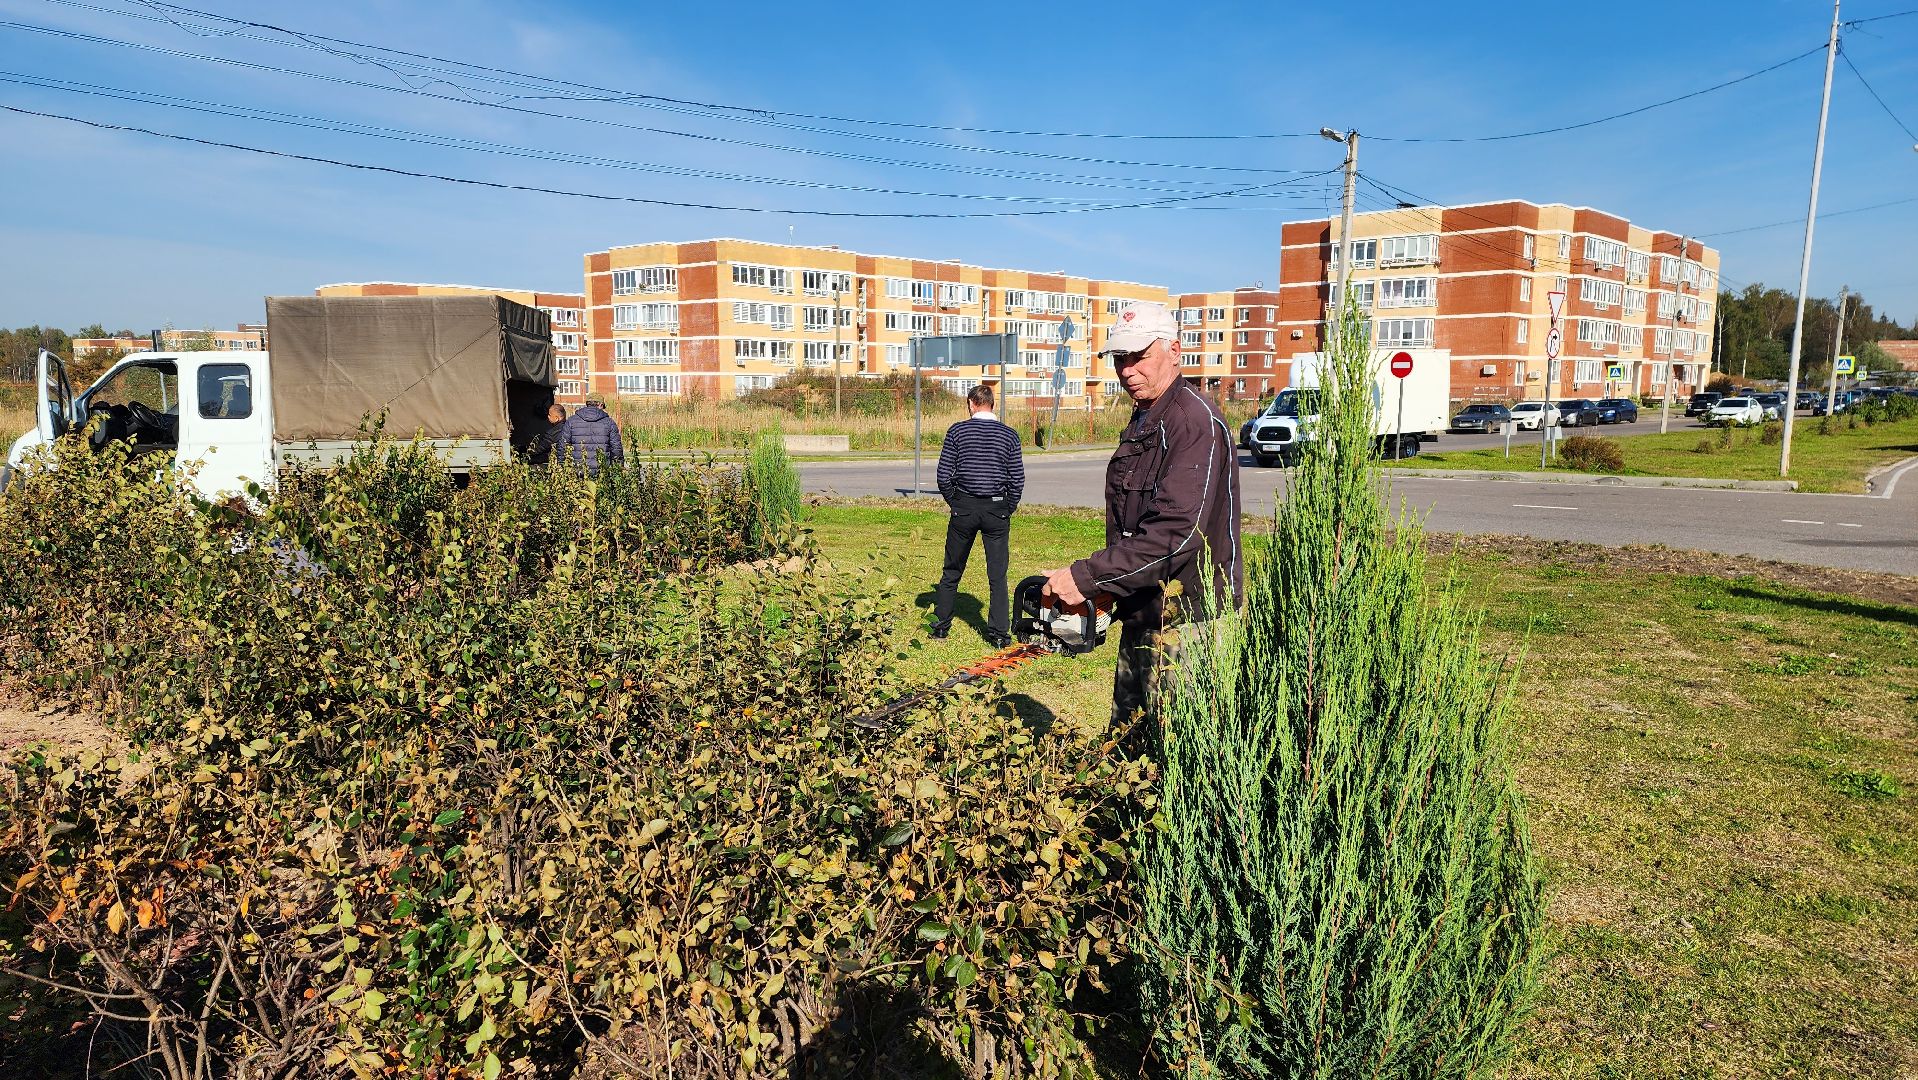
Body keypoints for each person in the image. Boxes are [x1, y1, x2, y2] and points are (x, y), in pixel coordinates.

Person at [1038, 300, 1241, 749]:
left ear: (1174, 350)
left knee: (1178, 751)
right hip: (1144, 607)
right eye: (1119, 359)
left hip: (1187, 619)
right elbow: (1137, 525)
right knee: (1127, 740)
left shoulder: (1193, 424)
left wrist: (1089, 576)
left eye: (1139, 356)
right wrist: (1113, 587)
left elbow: (1176, 533)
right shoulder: (1147, 417)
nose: (1128, 370)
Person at [931, 383, 1025, 647]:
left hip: (964, 507)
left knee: (952, 569)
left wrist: (955, 500)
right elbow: (1017, 478)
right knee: (997, 575)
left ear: (971, 404)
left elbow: (943, 475)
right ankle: (998, 634)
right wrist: (1008, 507)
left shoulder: (957, 432)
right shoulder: (1009, 435)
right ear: (992, 404)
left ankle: (941, 626)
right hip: (997, 509)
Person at [558, 396, 625, 477]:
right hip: (602, 472)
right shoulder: (609, 422)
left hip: (577, 472)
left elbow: (563, 446)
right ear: (600, 405)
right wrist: (618, 469)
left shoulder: (571, 421)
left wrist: (561, 466)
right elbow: (616, 448)